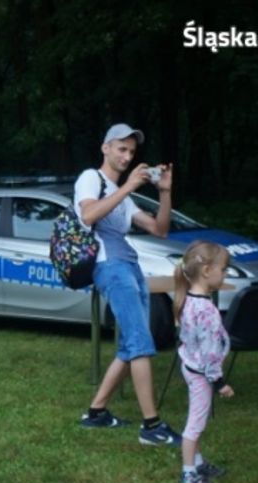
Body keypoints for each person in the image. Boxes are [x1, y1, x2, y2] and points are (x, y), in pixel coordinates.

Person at [76, 123, 182, 447]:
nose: (127, 156)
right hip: (110, 267)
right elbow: (89, 214)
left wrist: (164, 192)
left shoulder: (124, 195)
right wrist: (128, 186)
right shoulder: (90, 179)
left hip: (131, 267)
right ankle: (151, 426)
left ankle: (96, 412)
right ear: (105, 148)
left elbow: (160, 229)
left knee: (131, 344)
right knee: (139, 341)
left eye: (132, 151)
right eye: (121, 148)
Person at [172, 241, 233, 483]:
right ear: (207, 271)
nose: (225, 273)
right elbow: (209, 353)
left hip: (191, 366)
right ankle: (189, 474)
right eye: (224, 269)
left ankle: (197, 462)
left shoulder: (190, 301)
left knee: (198, 418)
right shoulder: (206, 309)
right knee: (195, 424)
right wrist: (220, 382)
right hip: (201, 373)